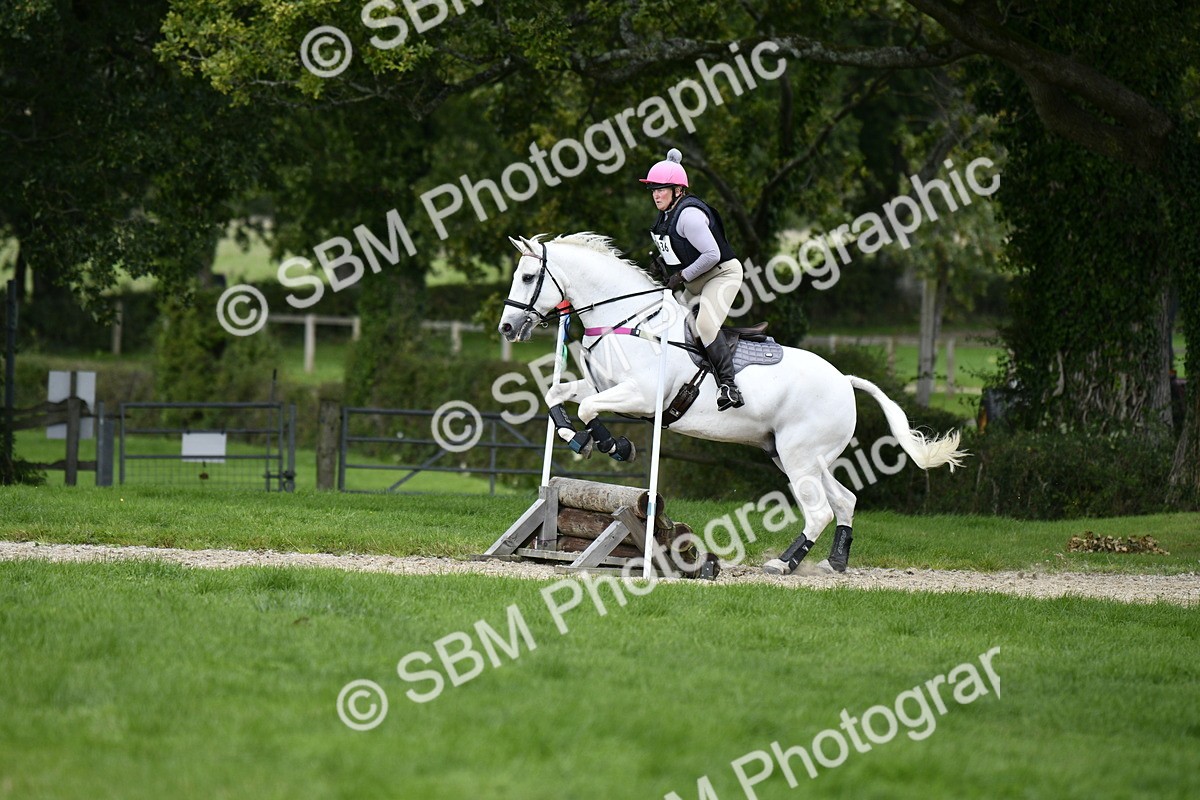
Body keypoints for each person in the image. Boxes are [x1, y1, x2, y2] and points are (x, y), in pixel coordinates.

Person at [640, 148, 745, 410]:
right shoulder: (666, 215)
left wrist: (681, 275)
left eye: (661, 188)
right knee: (668, 321)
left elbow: (712, 254)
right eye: (653, 188)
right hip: (696, 282)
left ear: (677, 190)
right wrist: (663, 266)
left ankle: (729, 387)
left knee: (705, 326)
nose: (656, 194)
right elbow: (678, 251)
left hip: (721, 275)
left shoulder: (689, 216)